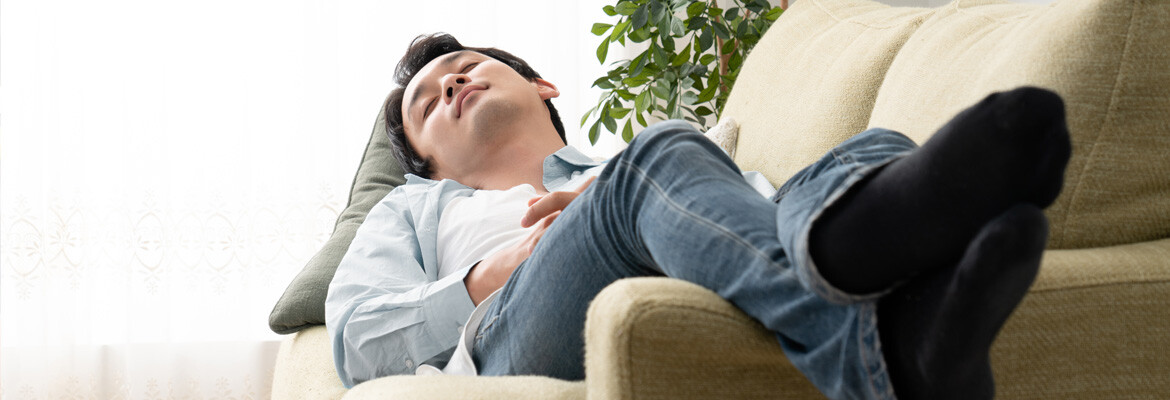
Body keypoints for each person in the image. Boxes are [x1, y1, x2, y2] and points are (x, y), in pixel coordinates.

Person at [325, 33, 1071, 400]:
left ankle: (903, 332)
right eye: (427, 103)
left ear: (543, 86)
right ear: (425, 161)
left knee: (865, 151)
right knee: (652, 162)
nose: (450, 84)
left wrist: (613, 190)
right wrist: (495, 271)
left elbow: (751, 215)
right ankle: (868, 350)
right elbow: (357, 343)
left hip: (689, 245)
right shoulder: (414, 207)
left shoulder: (657, 165)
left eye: (468, 68)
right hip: (513, 331)